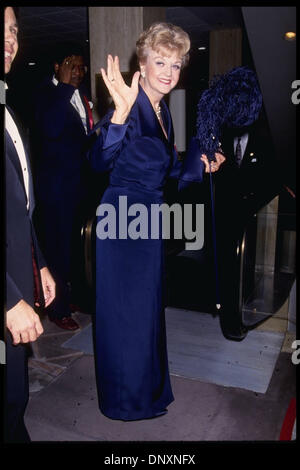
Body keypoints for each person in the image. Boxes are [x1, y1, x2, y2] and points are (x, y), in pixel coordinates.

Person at [88, 22, 225, 421]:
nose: (169, 71)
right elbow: (97, 162)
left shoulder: (163, 111)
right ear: (142, 64)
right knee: (124, 315)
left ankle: (147, 392)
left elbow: (163, 173)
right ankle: (124, 401)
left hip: (147, 223)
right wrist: (119, 116)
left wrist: (201, 164)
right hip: (120, 223)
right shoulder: (128, 105)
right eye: (160, 61)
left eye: (176, 64)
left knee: (146, 312)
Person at [4, 6, 56, 442]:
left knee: (13, 397)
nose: (9, 40)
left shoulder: (7, 107)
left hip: (18, 275)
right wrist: (8, 299)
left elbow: (17, 204)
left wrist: (37, 263)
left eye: (13, 30)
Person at [32, 43, 96, 330]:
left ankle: (70, 296)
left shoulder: (81, 95)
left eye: (81, 66)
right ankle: (57, 309)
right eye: (72, 65)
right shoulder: (47, 93)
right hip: (56, 190)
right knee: (57, 250)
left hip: (79, 186)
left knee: (74, 248)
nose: (78, 71)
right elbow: (52, 128)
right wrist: (66, 88)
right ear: (57, 67)